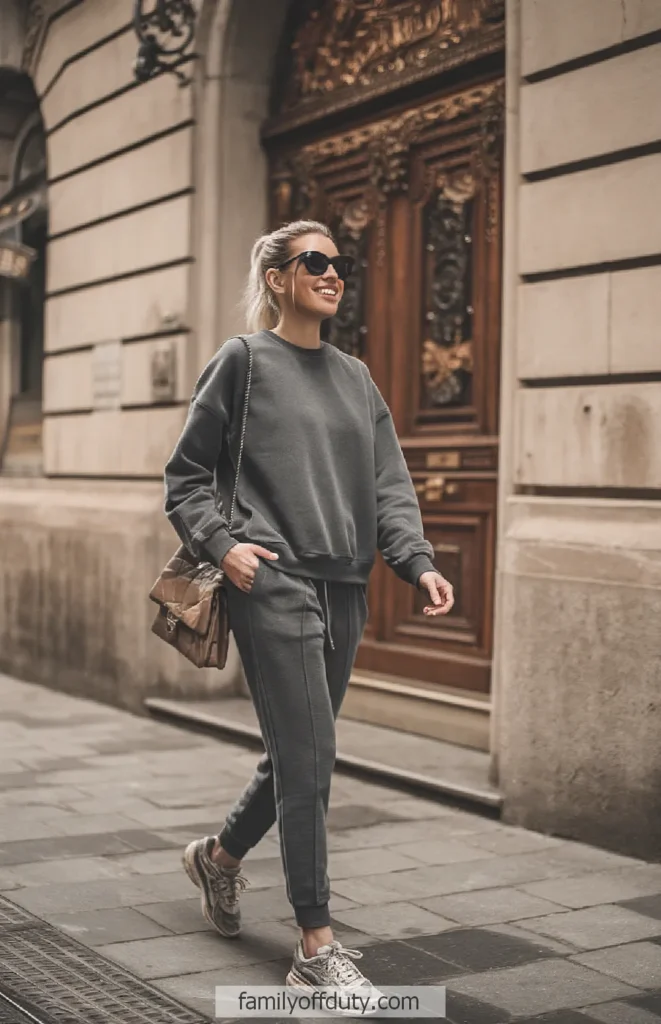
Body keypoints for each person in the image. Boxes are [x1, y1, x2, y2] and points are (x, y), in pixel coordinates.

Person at [163, 219, 454, 999]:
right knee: (309, 759)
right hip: (272, 581)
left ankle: (217, 861)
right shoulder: (243, 361)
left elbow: (389, 483)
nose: (332, 274)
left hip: (346, 586)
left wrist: (417, 561)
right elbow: (184, 478)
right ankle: (315, 945)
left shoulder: (356, 378)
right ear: (277, 278)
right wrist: (225, 546)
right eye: (314, 261)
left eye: (339, 263)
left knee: (301, 754)